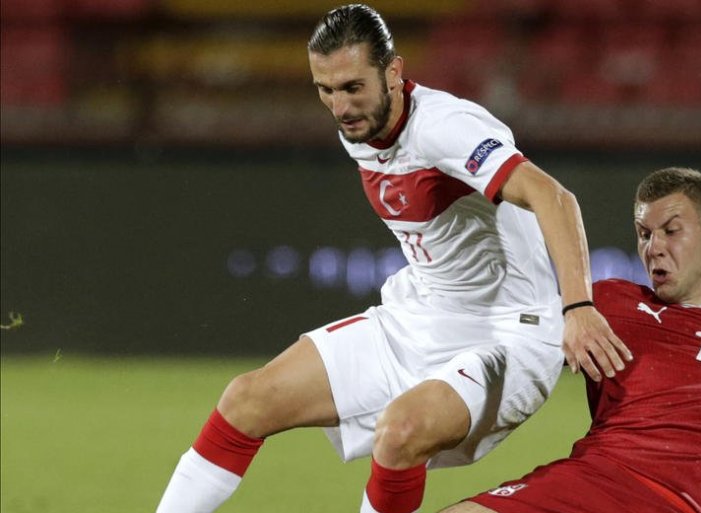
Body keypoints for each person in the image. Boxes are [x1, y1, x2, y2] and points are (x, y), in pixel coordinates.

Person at [154, 4, 633, 513]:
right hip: (424, 316)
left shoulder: (444, 128)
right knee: (246, 400)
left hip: (509, 332)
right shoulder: (361, 126)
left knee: (400, 433)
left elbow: (553, 197)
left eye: (353, 87)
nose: (340, 106)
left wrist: (578, 307)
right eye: (325, 90)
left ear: (393, 73)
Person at [440, 167, 701, 513]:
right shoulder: (610, 303)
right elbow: (518, 338)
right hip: (598, 484)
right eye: (644, 234)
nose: (654, 247)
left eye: (671, 231)